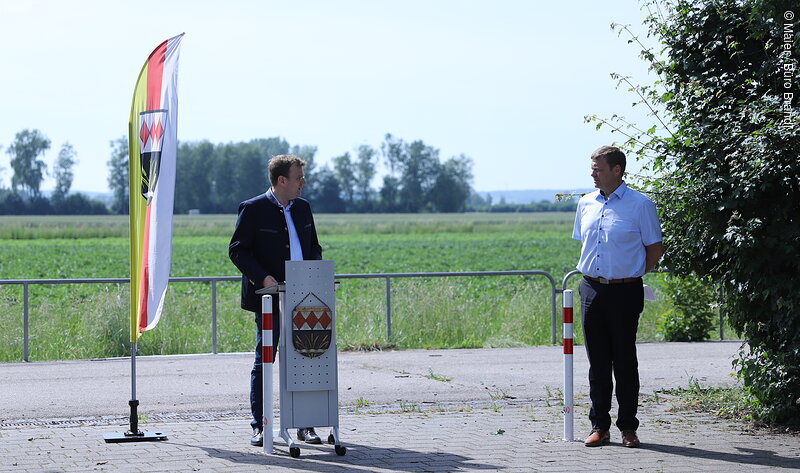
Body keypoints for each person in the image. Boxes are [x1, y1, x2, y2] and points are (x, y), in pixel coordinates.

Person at [572, 146, 664, 448]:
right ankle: (599, 425)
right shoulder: (586, 203)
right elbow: (585, 244)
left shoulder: (640, 205)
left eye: (598, 168)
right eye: (592, 167)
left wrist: (632, 274)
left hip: (625, 291)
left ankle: (628, 427)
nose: (592, 173)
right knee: (597, 363)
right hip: (591, 289)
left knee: (624, 361)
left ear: (617, 170)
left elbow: (654, 249)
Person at [229, 154, 323, 447]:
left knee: (307, 359)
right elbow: (238, 251)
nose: (303, 183)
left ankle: (305, 426)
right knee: (265, 360)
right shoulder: (253, 209)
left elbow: (314, 248)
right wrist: (264, 278)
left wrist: (315, 275)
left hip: (305, 300)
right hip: (270, 300)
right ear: (281, 180)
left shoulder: (304, 209)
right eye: (298, 178)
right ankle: (260, 426)